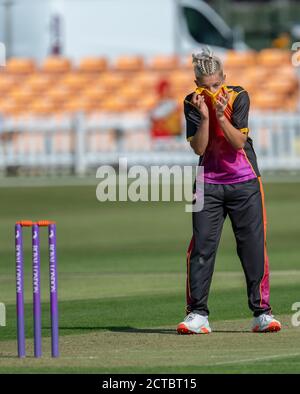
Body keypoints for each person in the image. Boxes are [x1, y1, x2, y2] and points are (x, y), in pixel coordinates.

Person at [177, 48, 281, 334]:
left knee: (252, 246)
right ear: (196, 82)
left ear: (224, 78)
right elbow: (199, 147)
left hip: (245, 181)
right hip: (208, 183)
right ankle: (197, 315)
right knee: (201, 247)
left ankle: (262, 313)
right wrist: (207, 117)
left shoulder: (238, 96)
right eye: (204, 85)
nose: (211, 91)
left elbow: (237, 143)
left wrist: (222, 116)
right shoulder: (191, 102)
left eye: (215, 84)